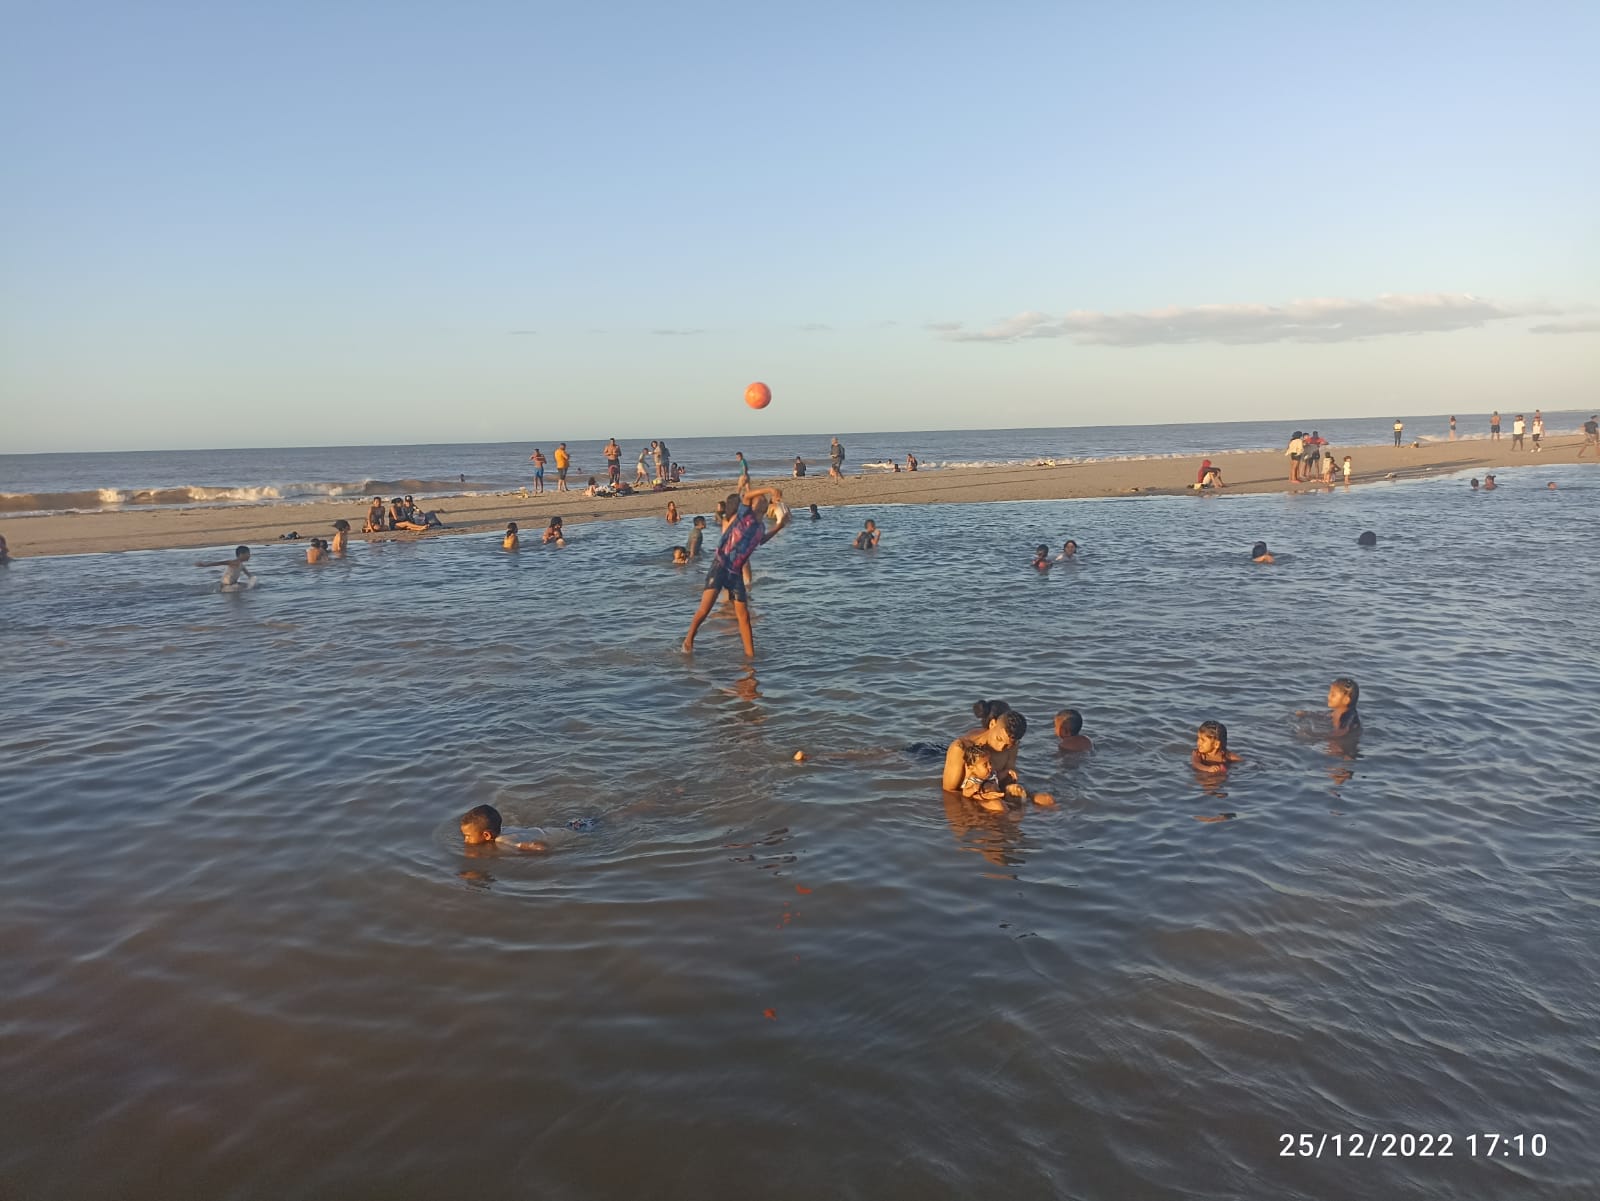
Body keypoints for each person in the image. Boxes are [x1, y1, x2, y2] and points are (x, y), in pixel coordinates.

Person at [682, 487, 791, 656]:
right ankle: (689, 639)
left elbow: (761, 540)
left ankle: (750, 655)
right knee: (705, 609)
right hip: (720, 566)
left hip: (735, 573)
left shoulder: (760, 527)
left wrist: (779, 525)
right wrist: (770, 489)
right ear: (752, 506)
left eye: (763, 501)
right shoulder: (744, 516)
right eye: (758, 501)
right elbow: (747, 496)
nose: (761, 503)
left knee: (744, 616)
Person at [941, 708, 1045, 804]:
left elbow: (1004, 781)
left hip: (994, 791)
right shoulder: (961, 748)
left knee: (1045, 800)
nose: (1001, 747)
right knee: (999, 808)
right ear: (992, 724)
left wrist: (1011, 788)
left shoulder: (1013, 747)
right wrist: (981, 797)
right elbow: (949, 793)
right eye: (999, 739)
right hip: (971, 798)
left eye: (1008, 745)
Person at [459, 804, 548, 853]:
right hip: (536, 830)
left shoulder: (503, 841)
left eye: (468, 836)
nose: (465, 840)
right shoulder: (501, 830)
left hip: (549, 834)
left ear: (487, 835)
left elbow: (539, 847)